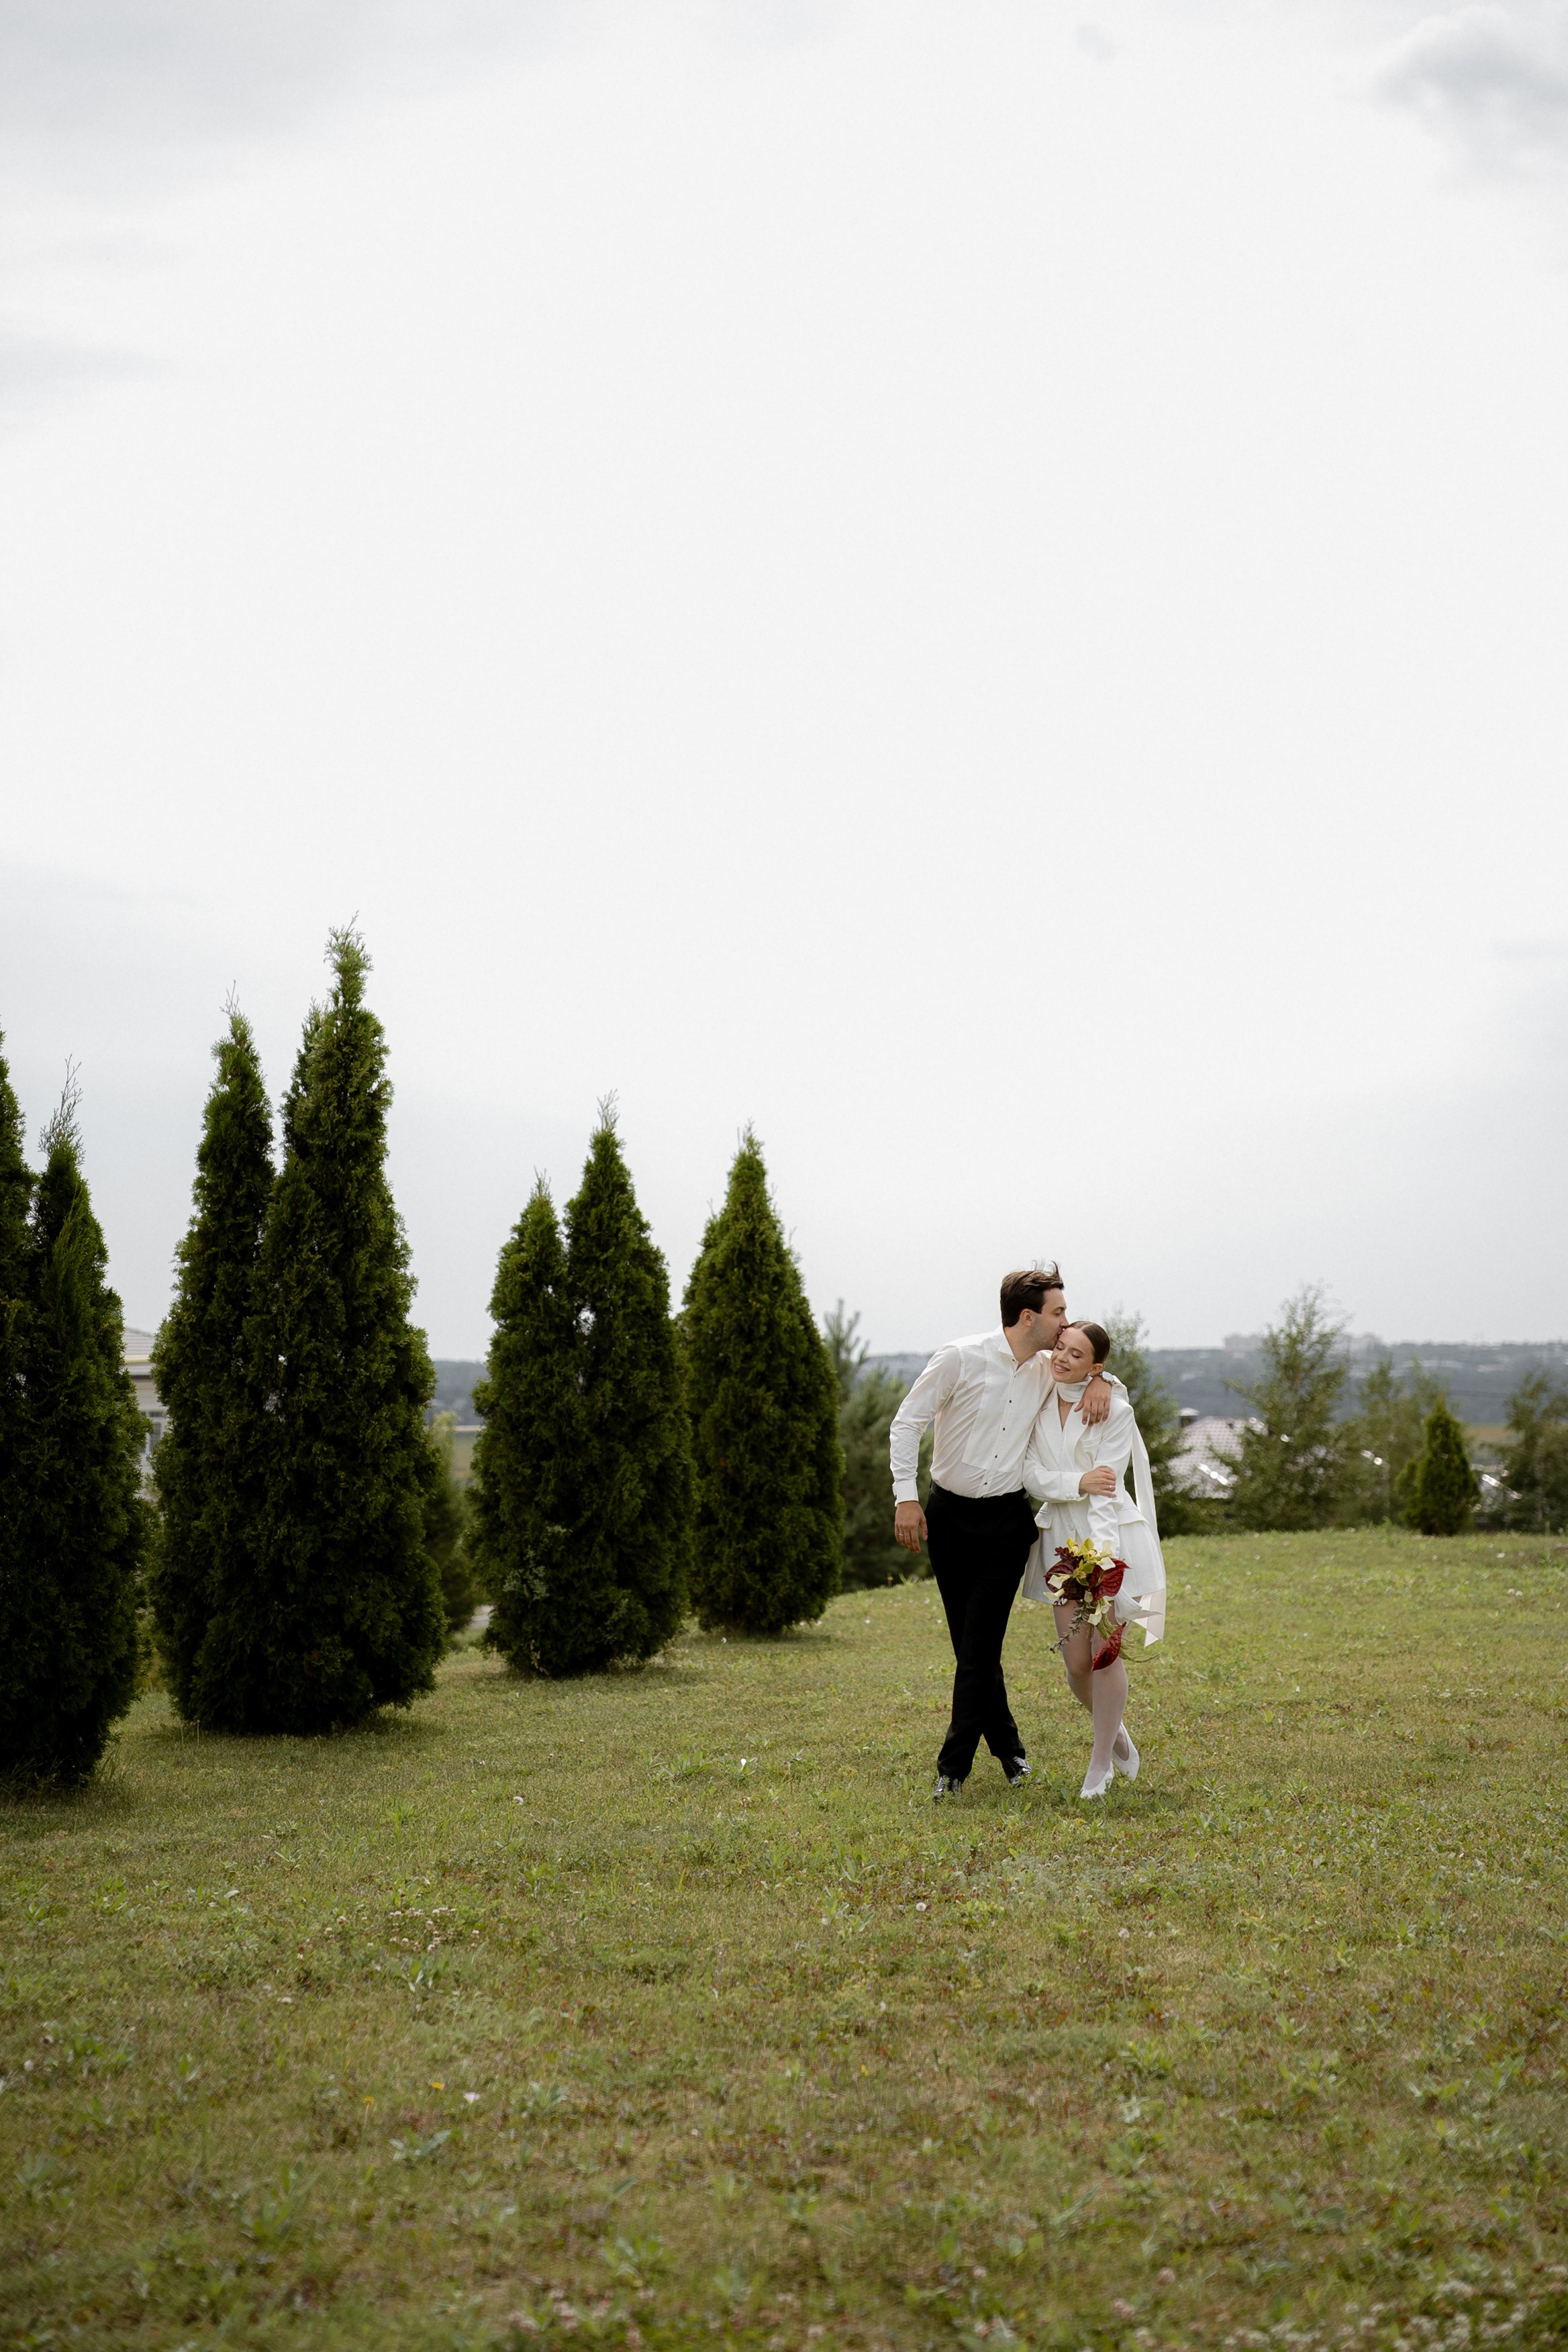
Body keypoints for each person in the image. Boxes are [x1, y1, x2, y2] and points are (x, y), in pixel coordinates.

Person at [890, 1267, 1114, 1801]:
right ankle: (1011, 1750)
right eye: (1059, 1313)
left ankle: (953, 1769)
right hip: (948, 1517)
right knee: (970, 1645)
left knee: (981, 1642)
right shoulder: (959, 1357)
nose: (1065, 1325)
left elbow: (1094, 1371)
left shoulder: (1047, 1367)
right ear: (1029, 1316)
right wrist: (905, 1496)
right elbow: (908, 1422)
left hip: (1008, 1525)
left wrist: (1103, 1380)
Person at [1022, 1320, 1167, 1800]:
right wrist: (1074, 1483)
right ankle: (1117, 1730)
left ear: (1097, 1367)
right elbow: (1029, 1473)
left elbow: (1106, 1489)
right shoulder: (1038, 1390)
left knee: (1105, 1655)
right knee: (1076, 1662)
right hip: (1059, 1538)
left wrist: (1104, 1564)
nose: (1062, 1358)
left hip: (1108, 1539)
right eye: (1059, 1348)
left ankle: (1100, 1761)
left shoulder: (1114, 1408)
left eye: (1077, 1355)